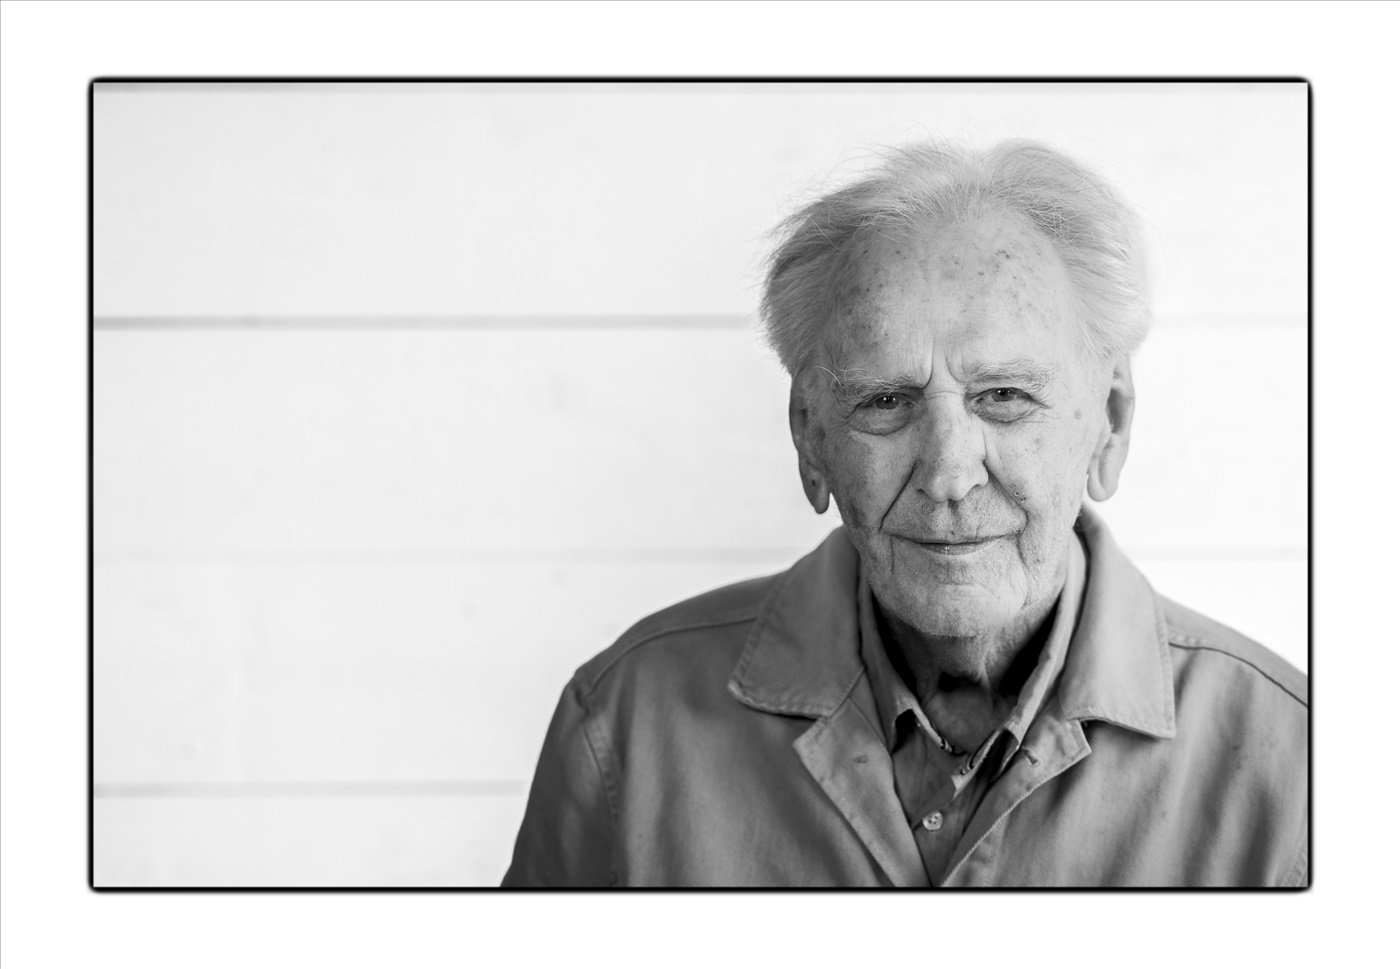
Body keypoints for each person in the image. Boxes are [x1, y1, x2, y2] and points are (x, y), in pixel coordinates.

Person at [501, 139, 1308, 888]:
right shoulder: (625, 727)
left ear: (1111, 423)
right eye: (885, 401)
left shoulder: (1300, 766)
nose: (949, 475)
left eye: (1004, 396)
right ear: (810, 437)